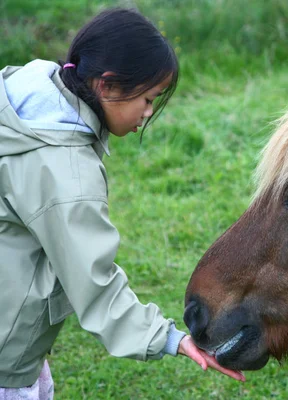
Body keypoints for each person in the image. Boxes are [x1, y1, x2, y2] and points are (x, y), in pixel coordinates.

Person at [0, 8, 245, 399]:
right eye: (148, 99)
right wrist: (168, 338)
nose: (148, 113)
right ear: (108, 86)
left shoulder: (22, 98)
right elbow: (94, 282)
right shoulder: (66, 171)